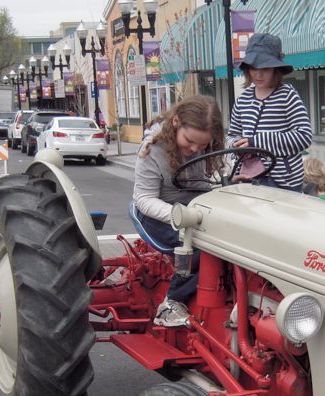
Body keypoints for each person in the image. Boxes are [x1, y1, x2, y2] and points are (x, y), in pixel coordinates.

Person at [133, 95, 225, 326]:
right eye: (189, 141)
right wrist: (181, 216)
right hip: (158, 214)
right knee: (204, 247)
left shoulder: (211, 146)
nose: (195, 149)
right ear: (176, 123)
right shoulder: (153, 149)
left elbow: (218, 176)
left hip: (195, 210)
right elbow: (144, 199)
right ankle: (172, 302)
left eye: (202, 145)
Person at [227, 33, 312, 191]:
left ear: (275, 69)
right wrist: (238, 147)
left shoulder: (287, 95)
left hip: (283, 182)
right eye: (254, 68)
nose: (258, 74)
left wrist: (257, 143)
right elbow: (232, 135)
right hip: (248, 178)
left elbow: (304, 135)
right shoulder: (242, 99)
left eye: (265, 68)